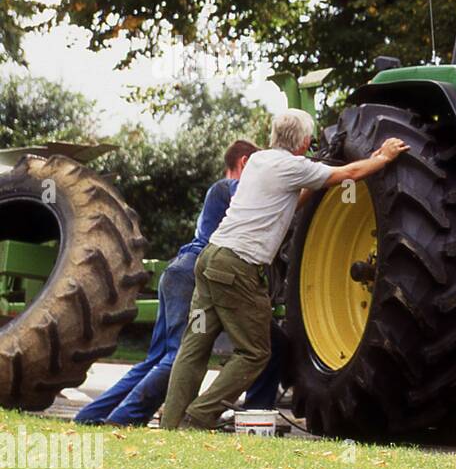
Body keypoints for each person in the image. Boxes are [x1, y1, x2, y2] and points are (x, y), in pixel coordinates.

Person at [161, 108, 409, 430]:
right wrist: (383, 157)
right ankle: (198, 417)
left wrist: (361, 163)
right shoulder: (293, 166)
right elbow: (348, 175)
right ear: (305, 141)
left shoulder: (259, 161)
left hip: (211, 259)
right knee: (255, 353)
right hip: (238, 267)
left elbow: (289, 200)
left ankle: (171, 423)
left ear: (274, 134)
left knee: (195, 345)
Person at [75, 140, 282, 425]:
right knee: (178, 355)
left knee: (157, 358)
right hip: (192, 278)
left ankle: (91, 415)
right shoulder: (228, 188)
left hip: (179, 273)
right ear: (245, 163)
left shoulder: (223, 192)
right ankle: (120, 420)